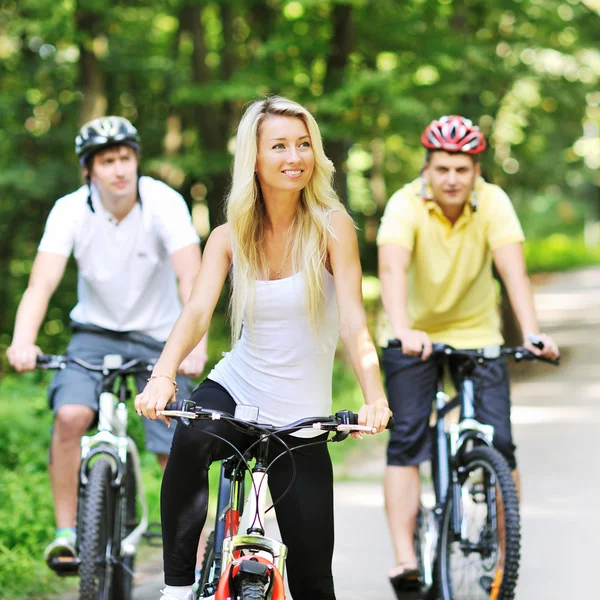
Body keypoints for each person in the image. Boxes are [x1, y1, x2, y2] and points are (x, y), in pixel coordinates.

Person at [135, 96, 392, 600]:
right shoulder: (229, 237)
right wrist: (163, 376)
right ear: (253, 157)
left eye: (303, 145)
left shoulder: (331, 227)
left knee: (315, 578)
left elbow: (354, 323)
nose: (295, 156)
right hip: (238, 386)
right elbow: (195, 312)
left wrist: (375, 397)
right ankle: (177, 589)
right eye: (279, 145)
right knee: (189, 440)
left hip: (302, 414)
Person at [6, 116, 208, 566]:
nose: (119, 169)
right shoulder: (70, 210)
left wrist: (195, 344)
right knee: (71, 415)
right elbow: (41, 284)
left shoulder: (163, 202)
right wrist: (24, 340)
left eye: (125, 158)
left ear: (136, 160)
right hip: (94, 334)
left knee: (172, 439)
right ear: (89, 171)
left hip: (162, 336)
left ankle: (192, 555)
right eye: (106, 161)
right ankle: (67, 533)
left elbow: (191, 277)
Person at [377, 115, 560, 595]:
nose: (452, 179)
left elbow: (513, 273)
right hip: (411, 333)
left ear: (476, 170)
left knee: (500, 442)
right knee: (407, 441)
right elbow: (392, 271)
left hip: (477, 332)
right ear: (427, 169)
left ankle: (504, 548)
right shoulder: (404, 205)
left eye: (462, 169)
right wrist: (402, 330)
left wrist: (534, 332)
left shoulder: (494, 203)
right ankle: (404, 562)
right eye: (442, 169)